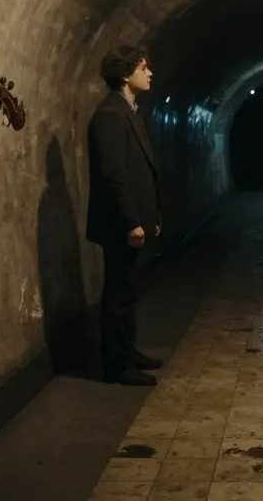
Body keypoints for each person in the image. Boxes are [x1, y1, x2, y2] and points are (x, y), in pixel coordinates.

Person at [86, 45, 164, 386]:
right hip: (119, 224)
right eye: (142, 68)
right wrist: (132, 221)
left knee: (129, 290)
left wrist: (151, 215)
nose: (149, 73)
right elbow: (114, 173)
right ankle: (117, 365)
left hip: (134, 219)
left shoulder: (127, 110)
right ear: (123, 75)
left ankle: (128, 351)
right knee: (118, 293)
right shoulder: (110, 115)